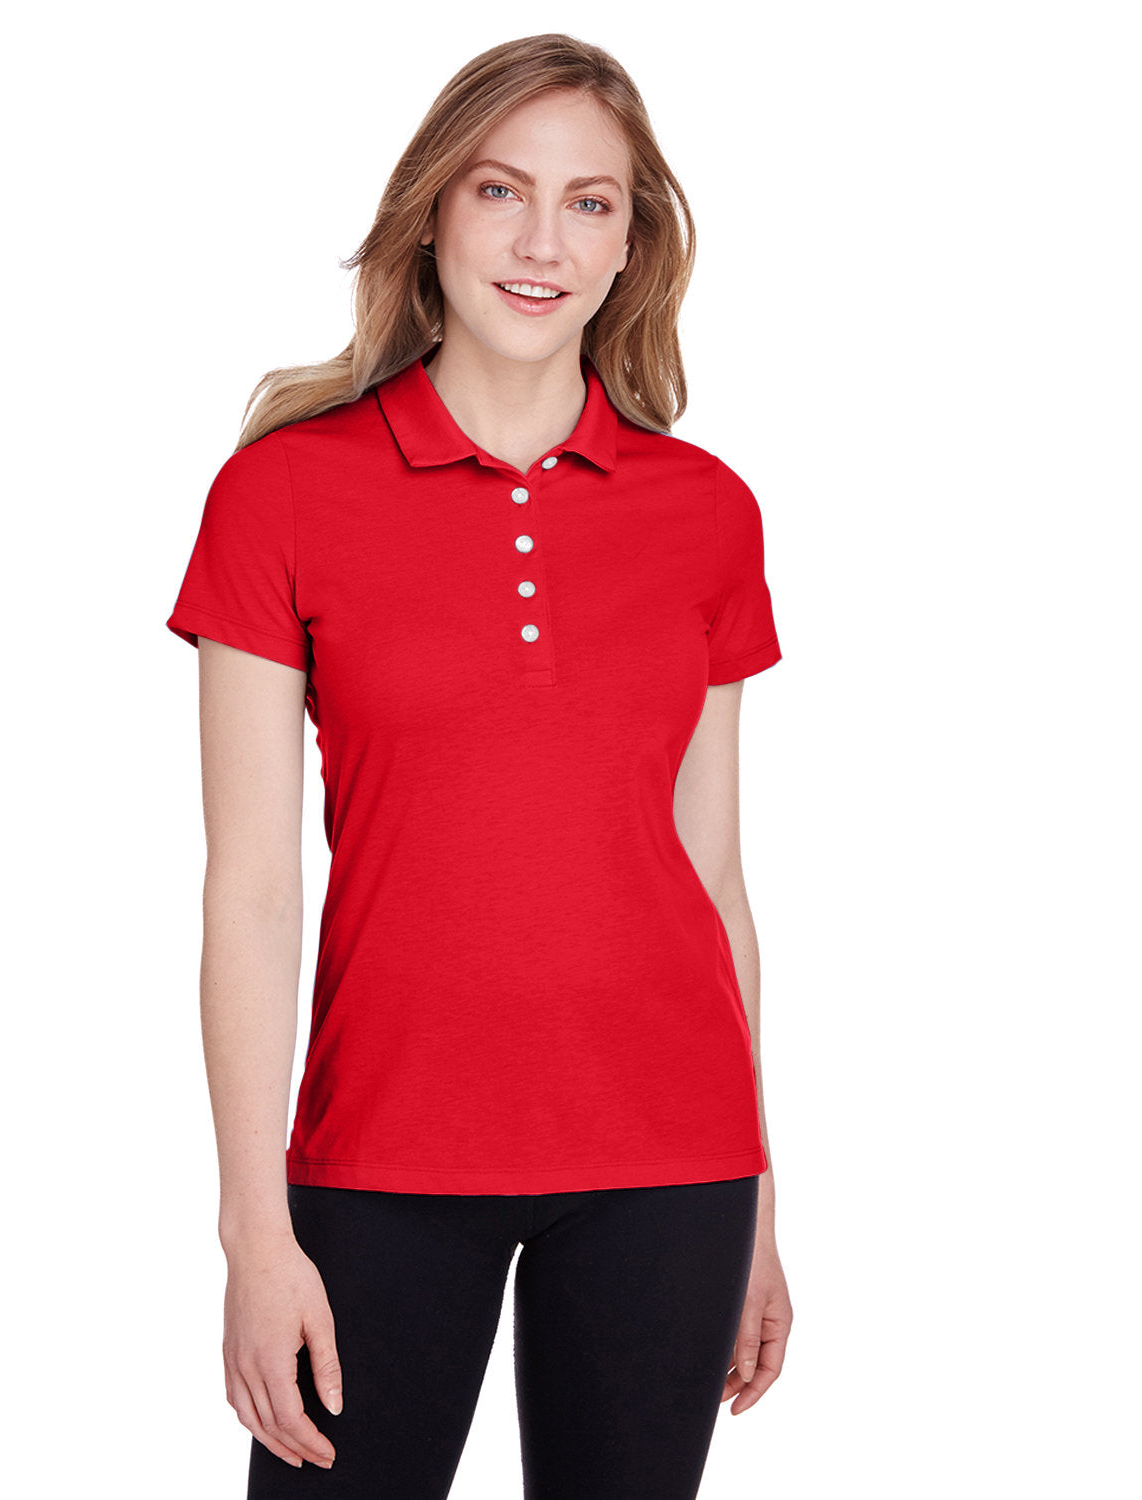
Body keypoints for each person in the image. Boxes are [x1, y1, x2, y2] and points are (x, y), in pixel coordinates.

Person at [165, 31, 793, 1500]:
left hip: (672, 1165)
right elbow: (251, 891)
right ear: (431, 211)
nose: (541, 242)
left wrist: (760, 1201)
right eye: (501, 190)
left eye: (590, 202)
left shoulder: (708, 512)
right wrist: (254, 1231)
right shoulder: (281, 493)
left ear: (632, 245)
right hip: (379, 1160)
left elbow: (712, 877)